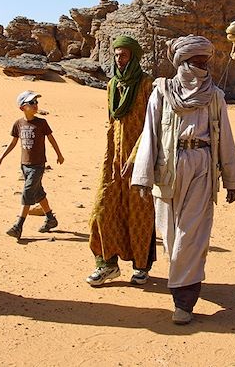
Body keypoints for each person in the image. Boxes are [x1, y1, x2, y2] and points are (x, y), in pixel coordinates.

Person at [131, 35, 235, 325]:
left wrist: (231, 179)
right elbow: (150, 134)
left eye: (204, 62)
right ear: (182, 61)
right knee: (170, 234)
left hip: (203, 166)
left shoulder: (214, 96)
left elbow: (225, 137)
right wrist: (142, 178)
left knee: (192, 234)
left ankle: (184, 298)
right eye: (196, 62)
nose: (201, 68)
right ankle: (183, 279)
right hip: (168, 165)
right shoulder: (162, 92)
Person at [86, 36, 156, 286]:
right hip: (114, 161)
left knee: (139, 212)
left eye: (124, 55)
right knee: (102, 210)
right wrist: (111, 158)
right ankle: (106, 264)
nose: (119, 59)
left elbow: (152, 125)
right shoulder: (112, 85)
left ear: (134, 57)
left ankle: (141, 266)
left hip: (141, 158)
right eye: (116, 55)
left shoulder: (147, 84)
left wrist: (136, 156)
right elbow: (111, 123)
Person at [0, 90, 64, 240]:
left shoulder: (41, 123)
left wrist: (59, 154)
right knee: (38, 193)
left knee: (27, 192)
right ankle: (51, 219)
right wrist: (1, 158)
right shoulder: (18, 124)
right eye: (31, 103)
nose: (35, 105)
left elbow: (51, 139)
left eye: (36, 102)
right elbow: (13, 143)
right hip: (24, 165)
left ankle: (18, 226)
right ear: (22, 108)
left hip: (38, 165)